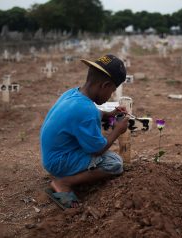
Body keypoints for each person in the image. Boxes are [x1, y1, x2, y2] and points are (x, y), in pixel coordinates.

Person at [40, 54, 129, 209]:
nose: (111, 96)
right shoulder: (86, 110)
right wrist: (117, 131)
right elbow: (97, 150)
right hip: (60, 161)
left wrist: (109, 114)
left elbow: (86, 115)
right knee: (114, 163)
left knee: (110, 159)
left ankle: (66, 175)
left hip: (53, 155)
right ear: (105, 85)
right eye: (112, 91)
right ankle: (63, 182)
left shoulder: (73, 94)